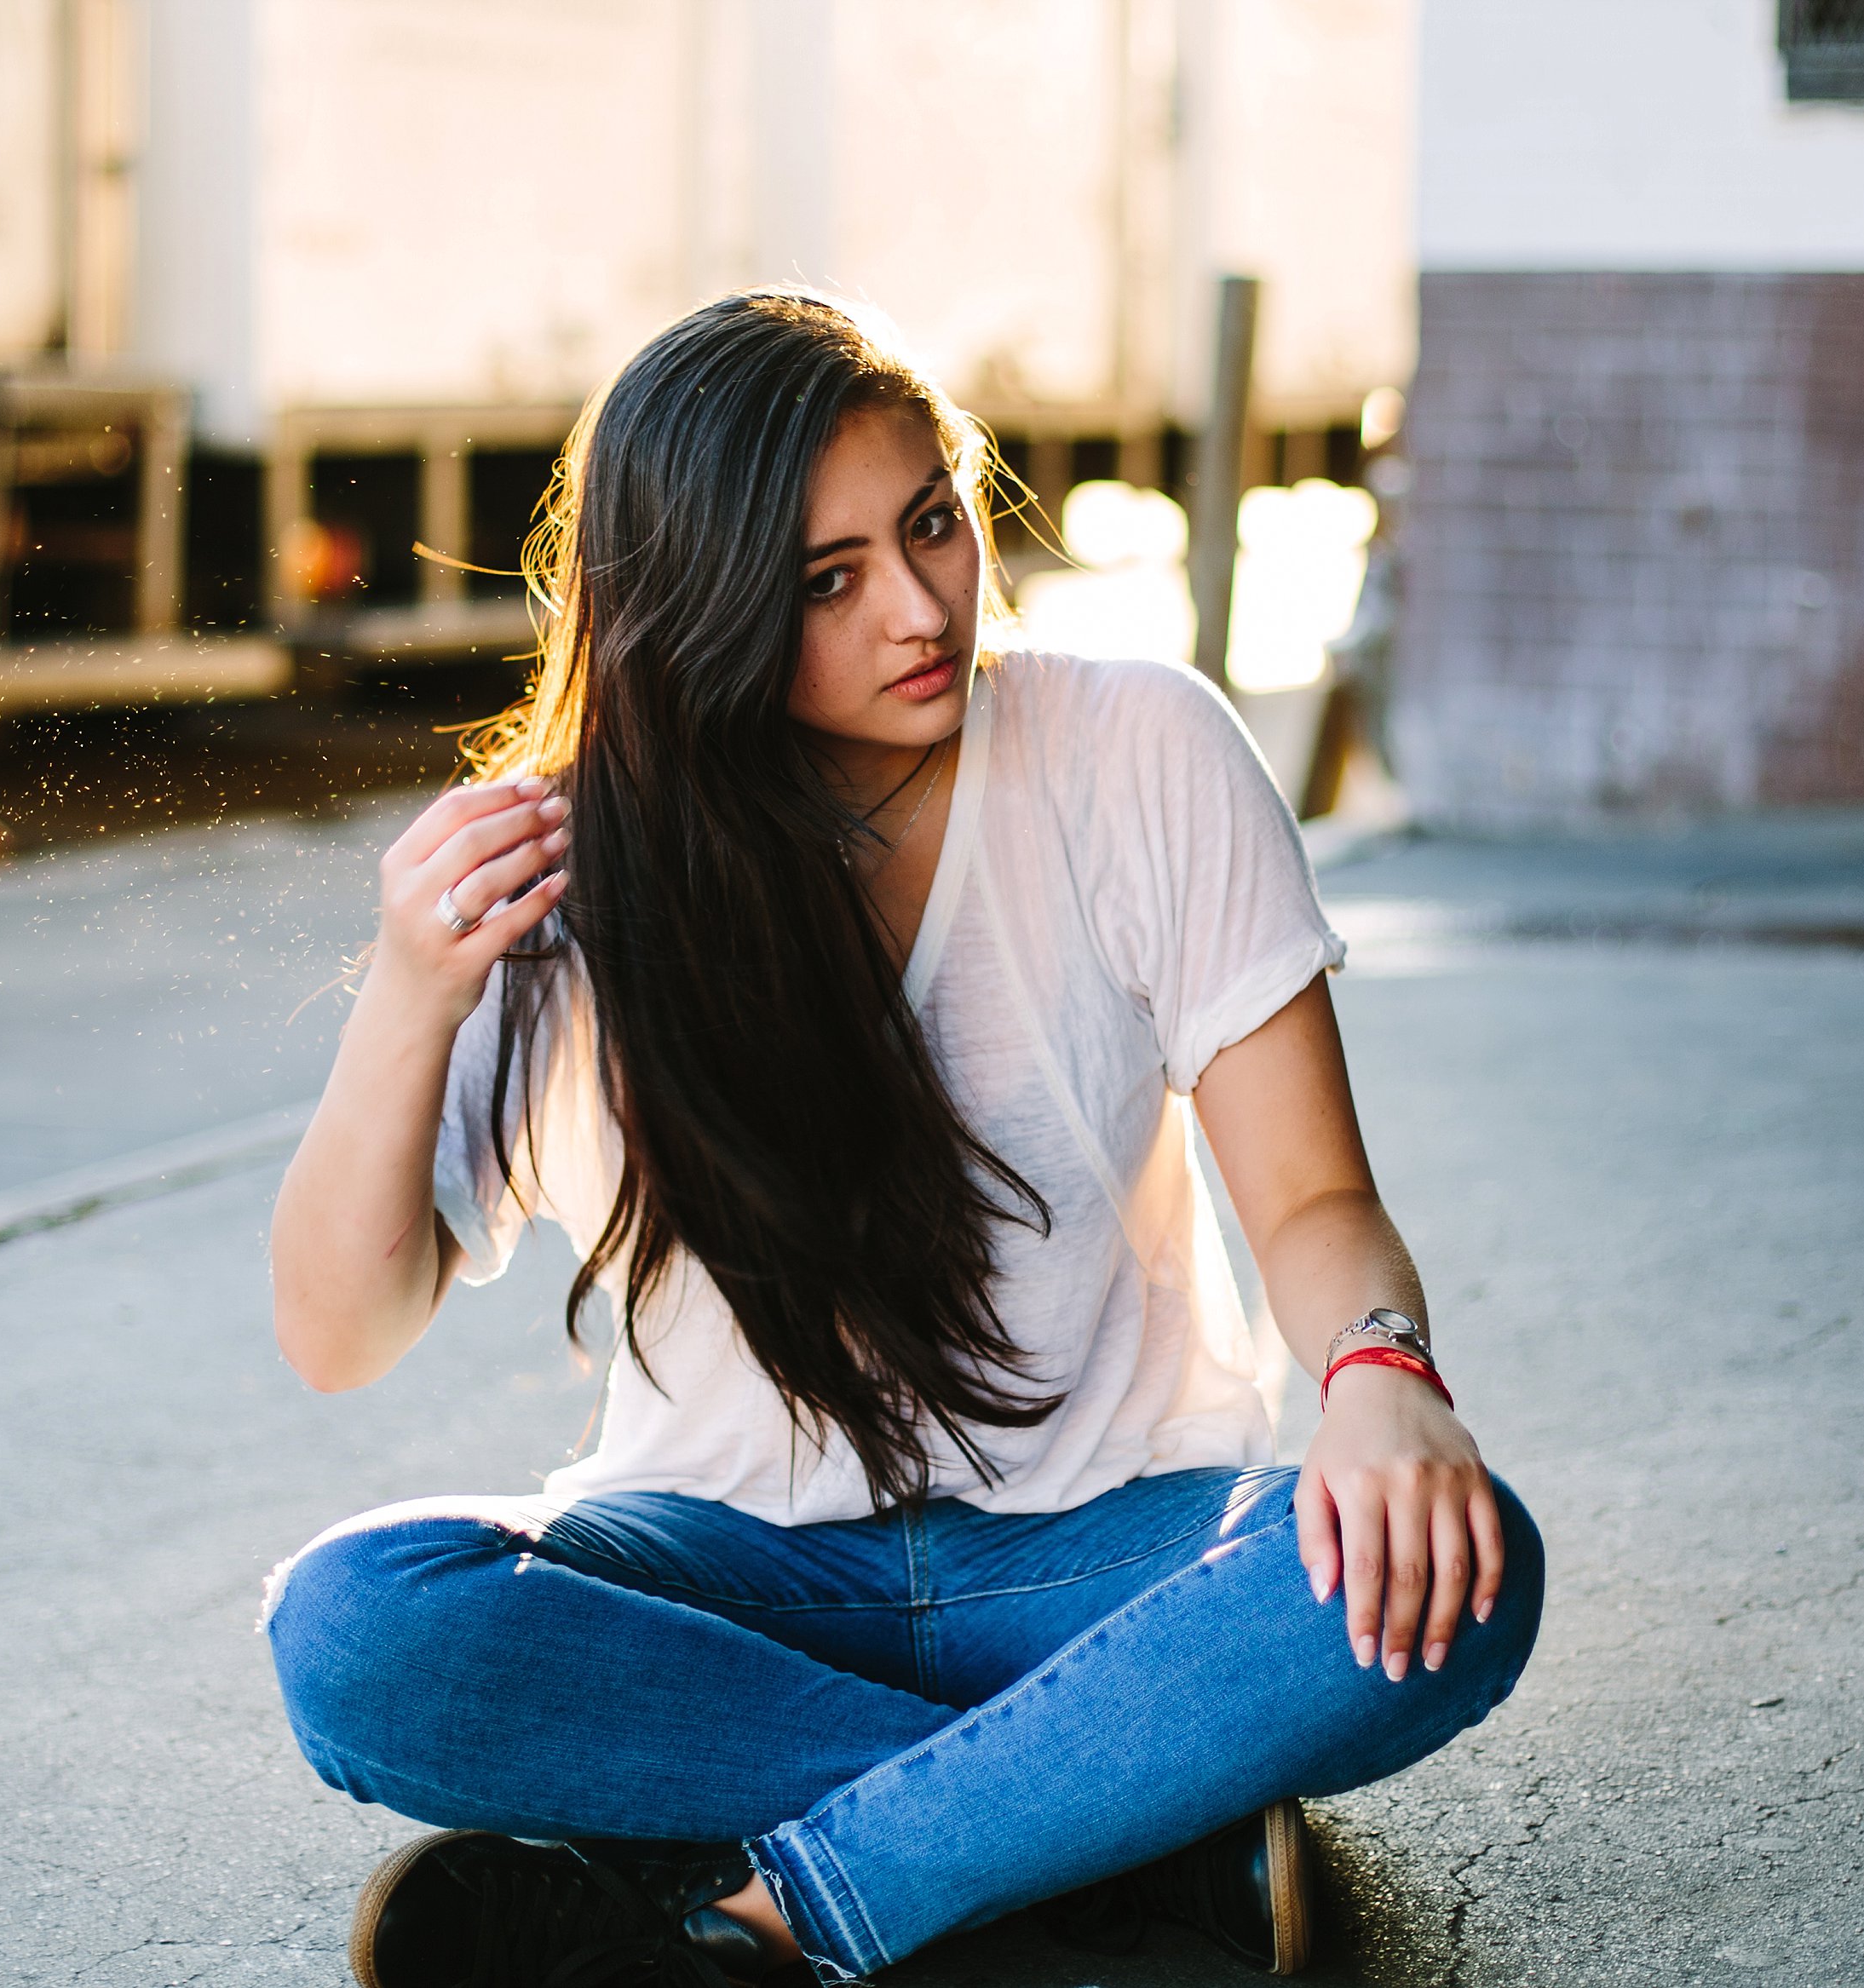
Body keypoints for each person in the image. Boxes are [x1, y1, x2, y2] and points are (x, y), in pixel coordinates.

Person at [262, 290, 1541, 1987]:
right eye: (827, 579)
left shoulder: (1137, 748)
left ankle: (758, 1913)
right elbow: (337, 1332)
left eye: (931, 520)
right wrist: (410, 996)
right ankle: (1105, 1830)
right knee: (354, 1630)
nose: (923, 604)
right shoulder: (567, 861)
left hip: (1109, 1547)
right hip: (721, 1568)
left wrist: (1385, 1384)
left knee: (1453, 1568)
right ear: (697, 610)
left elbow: (1311, 1196)